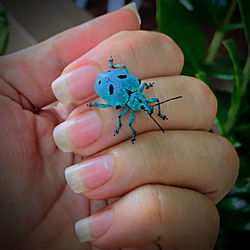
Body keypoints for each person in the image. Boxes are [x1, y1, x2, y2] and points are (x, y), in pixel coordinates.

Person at [0, 3, 239, 250]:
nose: (146, 106)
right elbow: (124, 104)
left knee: (121, 113)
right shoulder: (133, 94)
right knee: (117, 114)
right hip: (110, 84)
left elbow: (138, 101)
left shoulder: (137, 92)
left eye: (145, 106)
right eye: (146, 105)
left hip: (114, 85)